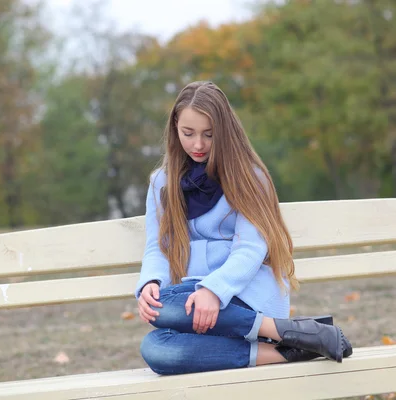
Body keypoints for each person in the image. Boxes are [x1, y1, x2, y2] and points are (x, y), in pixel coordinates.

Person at [135, 81, 352, 375]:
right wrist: (151, 283)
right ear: (175, 126)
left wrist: (214, 290)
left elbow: (251, 248)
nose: (198, 145)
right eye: (188, 133)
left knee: (169, 307)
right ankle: (291, 345)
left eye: (208, 135)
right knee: (156, 349)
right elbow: (158, 246)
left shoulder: (248, 176)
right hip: (195, 302)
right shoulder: (162, 182)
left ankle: (272, 328)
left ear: (224, 132)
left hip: (247, 293)